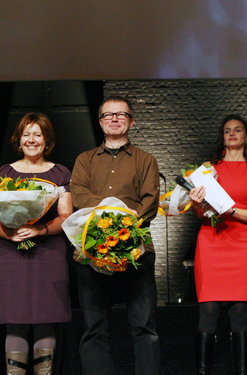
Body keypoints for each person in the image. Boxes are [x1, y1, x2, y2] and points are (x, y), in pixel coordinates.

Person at [70, 96, 161, 375]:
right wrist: (109, 223)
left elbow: (149, 201)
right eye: (108, 115)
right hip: (92, 252)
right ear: (100, 122)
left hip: (136, 251)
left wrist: (123, 231)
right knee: (94, 327)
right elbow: (79, 195)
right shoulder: (84, 160)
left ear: (131, 121)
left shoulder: (146, 159)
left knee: (144, 327)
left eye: (121, 114)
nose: (114, 118)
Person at [188, 114, 247, 375]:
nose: (232, 134)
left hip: (241, 244)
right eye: (226, 131)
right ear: (222, 137)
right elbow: (199, 214)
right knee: (208, 312)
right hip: (211, 242)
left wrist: (230, 211)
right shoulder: (208, 167)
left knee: (239, 312)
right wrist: (197, 203)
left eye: (237, 130)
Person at [0, 112, 73, 375]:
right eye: (27, 134)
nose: (32, 140)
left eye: (38, 134)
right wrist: (7, 233)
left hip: (48, 253)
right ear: (18, 140)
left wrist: (40, 229)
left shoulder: (61, 173)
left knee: (46, 320)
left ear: (47, 140)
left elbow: (66, 217)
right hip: (10, 253)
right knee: (14, 320)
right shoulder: (4, 173)